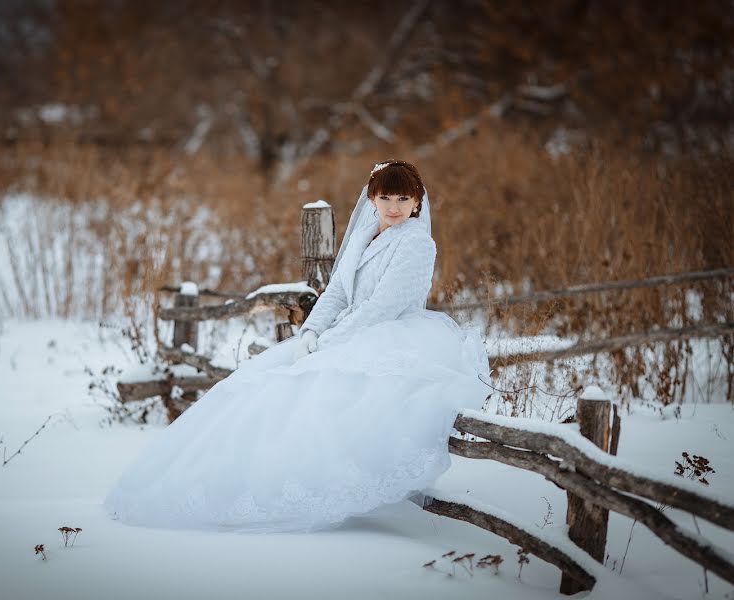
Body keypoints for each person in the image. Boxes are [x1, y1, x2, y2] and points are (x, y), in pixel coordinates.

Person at [104, 159, 491, 533]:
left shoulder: (416, 244)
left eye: (403, 200)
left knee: (318, 400)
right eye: (386, 198)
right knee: (262, 388)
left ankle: (315, 491)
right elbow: (338, 292)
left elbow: (382, 307)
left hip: (386, 335)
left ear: (417, 202)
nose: (393, 208)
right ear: (372, 199)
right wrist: (310, 333)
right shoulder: (363, 234)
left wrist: (329, 342)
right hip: (343, 330)